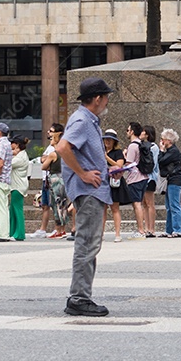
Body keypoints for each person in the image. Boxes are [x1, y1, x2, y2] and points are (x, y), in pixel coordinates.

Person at [54, 77, 113, 316]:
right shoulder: (82, 120)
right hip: (88, 191)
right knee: (87, 244)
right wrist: (83, 173)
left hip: (92, 190)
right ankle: (79, 298)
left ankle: (81, 296)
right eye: (106, 97)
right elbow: (62, 147)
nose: (107, 101)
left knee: (90, 244)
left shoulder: (88, 120)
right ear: (97, 99)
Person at [37, 123, 68, 238]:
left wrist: (48, 163)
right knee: (63, 205)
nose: (50, 139)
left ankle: (58, 230)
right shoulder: (65, 152)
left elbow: (43, 166)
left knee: (56, 205)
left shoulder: (53, 154)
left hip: (55, 180)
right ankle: (62, 229)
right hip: (63, 178)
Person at [123, 122, 150, 238]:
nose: (127, 132)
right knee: (140, 203)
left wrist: (124, 155)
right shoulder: (141, 144)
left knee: (136, 204)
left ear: (132, 132)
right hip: (144, 176)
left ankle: (141, 230)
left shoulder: (132, 146)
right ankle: (143, 229)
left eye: (128, 130)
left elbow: (129, 163)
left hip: (135, 178)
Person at [158, 128, 181, 238]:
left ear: (169, 141)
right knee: (169, 206)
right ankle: (169, 230)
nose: (161, 141)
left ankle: (177, 230)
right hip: (170, 179)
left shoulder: (173, 151)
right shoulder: (172, 151)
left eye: (163, 139)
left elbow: (161, 161)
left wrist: (161, 150)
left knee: (174, 205)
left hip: (175, 179)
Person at [103, 129, 127, 243]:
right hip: (103, 181)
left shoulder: (118, 152)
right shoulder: (100, 151)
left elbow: (119, 165)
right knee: (102, 208)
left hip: (114, 181)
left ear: (114, 141)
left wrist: (106, 157)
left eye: (110, 140)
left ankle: (117, 234)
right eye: (106, 139)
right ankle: (100, 233)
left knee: (115, 208)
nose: (107, 141)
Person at [9, 136, 31, 241]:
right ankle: (13, 232)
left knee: (17, 210)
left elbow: (8, 164)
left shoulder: (20, 158)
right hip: (17, 185)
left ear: (17, 144)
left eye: (12, 143)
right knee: (13, 209)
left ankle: (19, 234)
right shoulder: (21, 155)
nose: (10, 145)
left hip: (18, 186)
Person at [139, 125, 159, 238]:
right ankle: (146, 227)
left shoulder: (153, 147)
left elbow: (154, 164)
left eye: (142, 132)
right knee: (144, 204)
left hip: (150, 177)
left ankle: (152, 228)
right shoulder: (141, 146)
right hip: (142, 177)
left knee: (150, 203)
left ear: (147, 134)